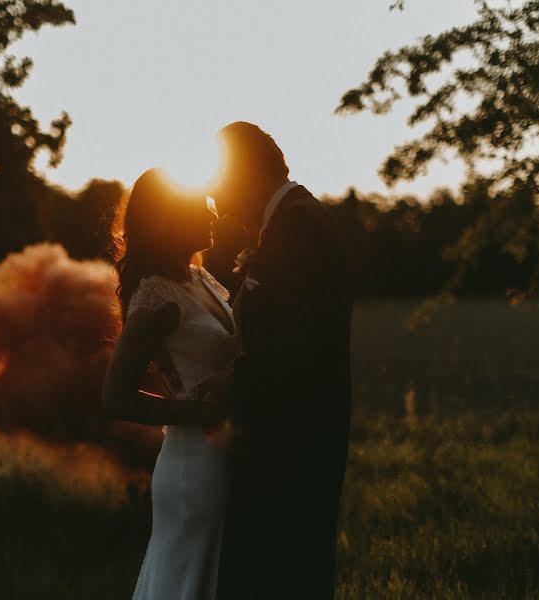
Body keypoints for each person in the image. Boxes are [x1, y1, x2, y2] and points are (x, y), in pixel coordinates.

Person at [209, 122, 354, 600]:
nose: (222, 205)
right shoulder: (291, 220)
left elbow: (301, 344)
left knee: (283, 575)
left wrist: (234, 382)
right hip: (289, 439)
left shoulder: (298, 227)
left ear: (246, 174)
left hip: (292, 443)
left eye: (223, 186)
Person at [102, 168, 235, 600]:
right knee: (188, 580)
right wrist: (197, 413)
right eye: (201, 205)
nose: (212, 213)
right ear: (170, 218)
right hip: (193, 464)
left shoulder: (199, 280)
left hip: (223, 455)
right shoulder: (157, 298)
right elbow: (115, 397)